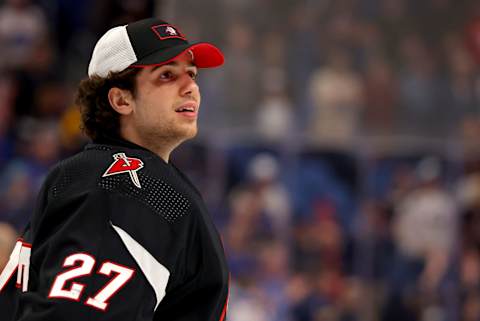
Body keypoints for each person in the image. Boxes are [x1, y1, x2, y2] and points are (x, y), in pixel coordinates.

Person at [0, 17, 229, 321]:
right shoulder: (130, 185)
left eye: (191, 74)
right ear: (121, 99)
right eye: (167, 76)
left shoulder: (86, 175)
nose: (190, 87)